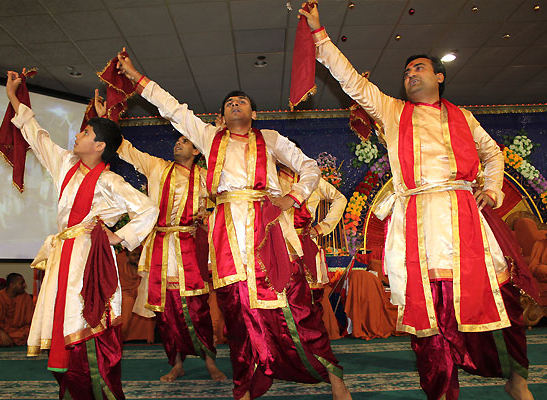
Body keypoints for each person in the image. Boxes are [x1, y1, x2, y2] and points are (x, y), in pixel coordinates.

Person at [299, 4, 533, 400]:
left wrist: (492, 190)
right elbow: (351, 81)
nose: (410, 74)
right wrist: (320, 34)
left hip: (466, 219)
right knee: (430, 320)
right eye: (406, 71)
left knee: (504, 299)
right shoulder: (393, 111)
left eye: (419, 68)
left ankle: (518, 379)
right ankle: (442, 392)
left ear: (439, 77)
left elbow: (493, 154)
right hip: (418, 225)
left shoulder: (464, 117)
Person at [116, 50, 352, 400]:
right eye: (229, 103)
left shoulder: (270, 139)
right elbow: (173, 109)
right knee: (238, 313)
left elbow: (310, 167)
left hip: (269, 231)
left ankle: (333, 376)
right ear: (222, 116)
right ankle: (246, 385)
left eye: (241, 101)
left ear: (253, 113)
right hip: (226, 236)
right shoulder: (209, 138)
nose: (235, 104)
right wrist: (137, 77)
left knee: (295, 306)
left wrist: (293, 197)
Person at [4, 69, 158, 400]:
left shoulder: (111, 181)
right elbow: (37, 136)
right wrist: (14, 98)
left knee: (86, 326)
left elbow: (148, 210)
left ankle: (95, 389)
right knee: (62, 324)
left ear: (99, 146)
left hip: (90, 259)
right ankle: (72, 390)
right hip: (63, 257)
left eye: (86, 132)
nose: (78, 134)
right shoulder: (65, 164)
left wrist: (118, 237)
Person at [94, 92, 226, 383]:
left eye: (185, 141)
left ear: (197, 151)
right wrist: (105, 121)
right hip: (160, 249)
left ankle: (210, 362)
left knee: (198, 310)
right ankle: (176, 364)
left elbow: (222, 197)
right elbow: (125, 149)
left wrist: (218, 137)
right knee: (166, 314)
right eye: (178, 140)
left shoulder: (206, 177)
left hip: (191, 250)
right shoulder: (157, 167)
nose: (178, 143)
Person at [278, 159, 347, 337]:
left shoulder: (311, 180)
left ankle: (311, 339)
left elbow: (340, 199)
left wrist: (322, 228)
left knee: (310, 296)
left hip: (304, 243)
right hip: (278, 244)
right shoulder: (270, 179)